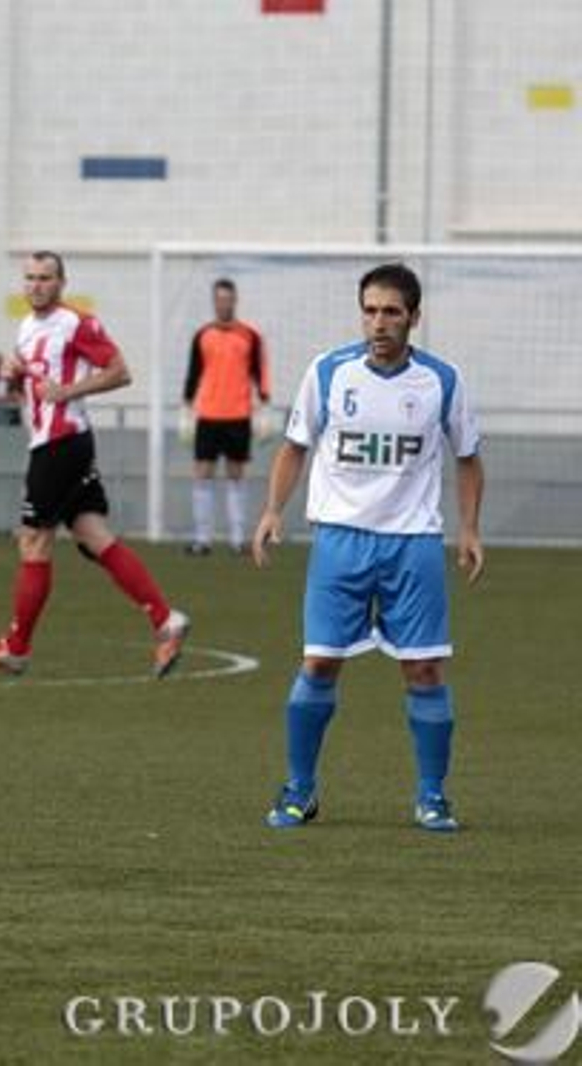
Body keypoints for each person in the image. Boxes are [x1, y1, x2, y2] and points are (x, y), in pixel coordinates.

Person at [254, 263, 484, 833]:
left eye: (391, 312)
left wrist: (471, 528)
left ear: (414, 317)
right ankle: (299, 790)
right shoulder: (329, 373)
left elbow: (469, 458)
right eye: (371, 310)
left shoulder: (441, 381)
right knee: (320, 662)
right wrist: (271, 511)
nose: (379, 322)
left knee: (425, 670)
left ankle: (433, 796)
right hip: (339, 541)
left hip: (413, 544)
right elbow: (294, 446)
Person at [0, 251, 190, 678]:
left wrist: (67, 391)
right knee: (93, 535)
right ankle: (165, 620)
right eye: (29, 278)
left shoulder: (76, 323)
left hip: (61, 444)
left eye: (45, 278)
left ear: (61, 282)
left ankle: (17, 647)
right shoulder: (27, 328)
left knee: (32, 541)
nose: (36, 285)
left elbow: (120, 372)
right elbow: (39, 380)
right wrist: (18, 374)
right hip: (55, 443)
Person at [182, 278, 270, 554]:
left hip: (238, 414)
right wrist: (186, 408)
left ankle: (237, 539)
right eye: (219, 299)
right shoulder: (202, 335)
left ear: (234, 301)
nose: (223, 303)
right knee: (202, 474)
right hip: (207, 413)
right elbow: (194, 373)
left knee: (236, 475)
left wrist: (264, 405)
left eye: (227, 299)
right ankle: (202, 539)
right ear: (214, 301)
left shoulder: (250, 336)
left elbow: (260, 371)